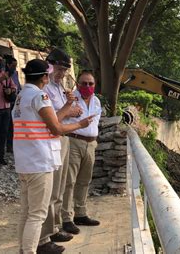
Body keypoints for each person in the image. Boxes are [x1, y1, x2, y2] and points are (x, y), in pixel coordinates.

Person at [13, 59, 95, 254]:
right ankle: (30, 251)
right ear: (44, 77)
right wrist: (79, 125)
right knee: (37, 214)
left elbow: (50, 120)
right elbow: (56, 127)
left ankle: (23, 250)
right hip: (39, 162)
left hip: (25, 161)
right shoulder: (40, 96)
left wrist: (67, 105)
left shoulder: (21, 96)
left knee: (27, 212)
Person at [38, 48, 83, 248]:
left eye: (64, 70)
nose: (62, 73)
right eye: (59, 68)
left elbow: (62, 113)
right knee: (52, 186)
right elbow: (53, 117)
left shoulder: (58, 87)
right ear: (50, 65)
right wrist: (70, 110)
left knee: (60, 186)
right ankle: (46, 233)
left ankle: (55, 227)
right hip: (50, 139)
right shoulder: (44, 88)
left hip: (62, 137)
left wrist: (70, 106)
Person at [62, 70, 102, 235]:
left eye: (90, 83)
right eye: (84, 83)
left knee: (85, 180)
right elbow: (61, 118)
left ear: (94, 85)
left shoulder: (97, 101)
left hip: (91, 143)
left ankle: (80, 213)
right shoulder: (70, 99)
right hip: (74, 141)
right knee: (69, 181)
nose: (87, 86)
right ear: (78, 84)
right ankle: (66, 218)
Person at [5, 55, 21, 153]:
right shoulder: (4, 74)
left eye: (16, 65)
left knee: (14, 125)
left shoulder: (15, 73)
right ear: (8, 65)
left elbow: (18, 86)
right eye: (13, 65)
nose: (15, 67)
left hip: (15, 101)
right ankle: (9, 146)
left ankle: (13, 145)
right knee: (8, 126)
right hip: (6, 103)